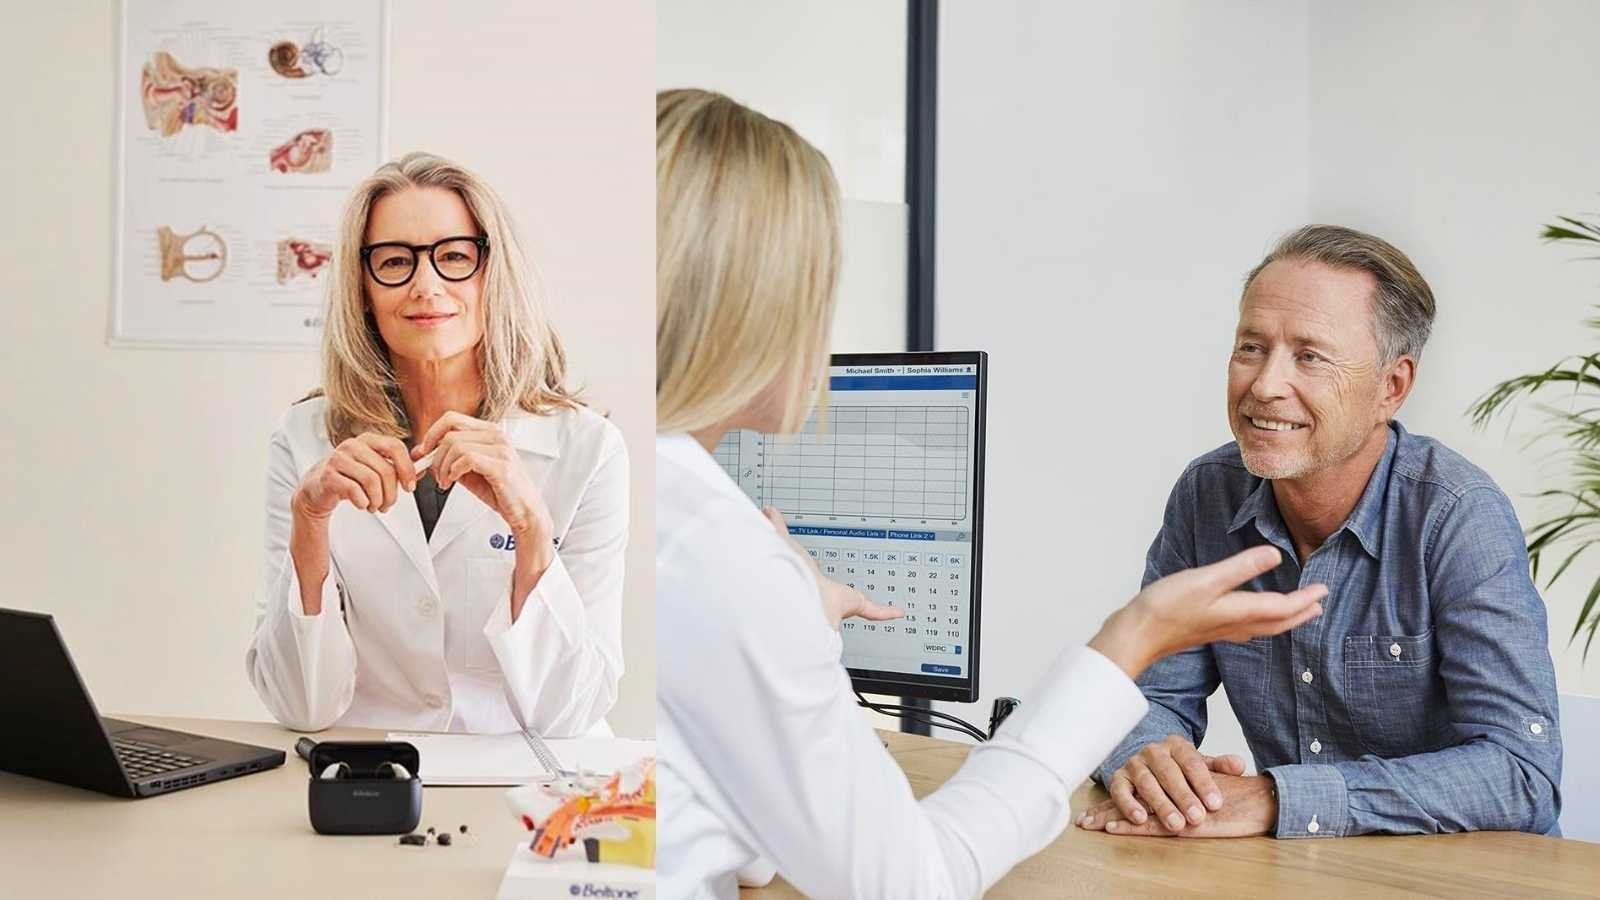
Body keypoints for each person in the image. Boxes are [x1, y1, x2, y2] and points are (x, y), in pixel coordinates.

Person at [655, 88, 1327, 899]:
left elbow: (756, 830)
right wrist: (1131, 641)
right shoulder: (718, 555)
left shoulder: (639, 502)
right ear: (751, 309)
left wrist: (798, 621)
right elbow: (909, 880)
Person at [1078, 225, 1563, 840]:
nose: (1264, 385)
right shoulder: (1208, 494)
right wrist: (1147, 759)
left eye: (1309, 356)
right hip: (1291, 874)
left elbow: (1522, 774)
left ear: (1392, 387)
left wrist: (1279, 800)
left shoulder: (1457, 515)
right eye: (1251, 347)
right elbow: (1150, 698)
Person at [246, 152, 628, 735]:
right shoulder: (302, 439)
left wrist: (529, 525)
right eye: (395, 261)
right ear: (363, 287)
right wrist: (309, 520)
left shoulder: (589, 448)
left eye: (453, 257)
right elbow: (301, 707)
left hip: (526, 784)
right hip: (373, 772)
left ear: (492, 272)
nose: (427, 286)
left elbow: (570, 714)